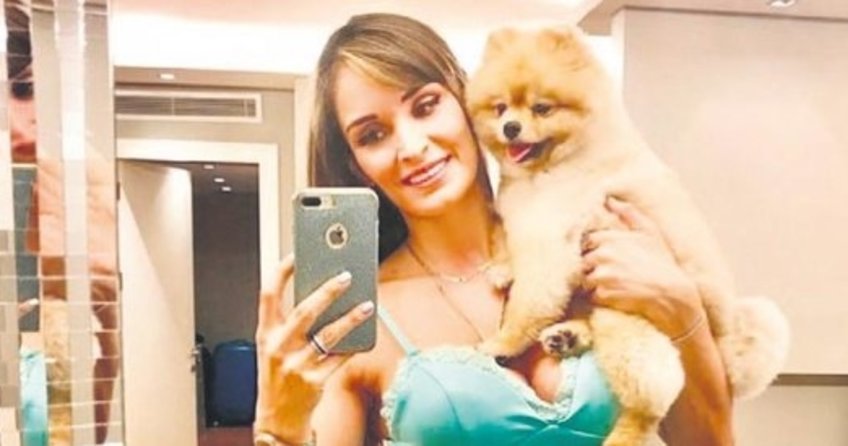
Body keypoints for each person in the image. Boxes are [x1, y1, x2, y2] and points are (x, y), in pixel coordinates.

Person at [254, 13, 733, 446]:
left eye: (425, 106)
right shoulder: (361, 320)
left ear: (467, 100)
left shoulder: (601, 241)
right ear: (356, 165)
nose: (412, 147)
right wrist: (279, 424)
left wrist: (682, 307)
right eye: (372, 135)